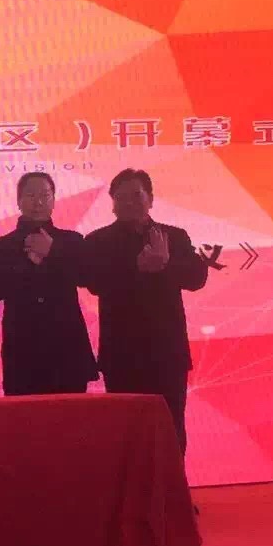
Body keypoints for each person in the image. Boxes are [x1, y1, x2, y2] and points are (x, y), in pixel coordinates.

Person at [84, 169, 209, 454]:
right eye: (121, 197)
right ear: (112, 203)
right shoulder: (97, 241)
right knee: (126, 430)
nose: (129, 202)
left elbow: (197, 278)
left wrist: (165, 264)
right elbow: (93, 282)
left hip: (167, 353)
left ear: (150, 199)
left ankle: (172, 484)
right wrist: (136, 267)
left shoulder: (174, 236)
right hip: (121, 354)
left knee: (171, 427)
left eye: (136, 195)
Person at [0, 172, 98, 395]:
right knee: (25, 416)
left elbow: (87, 278)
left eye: (45, 195)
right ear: (18, 201)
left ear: (54, 200)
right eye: (31, 195)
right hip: (22, 352)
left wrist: (53, 251)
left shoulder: (72, 241)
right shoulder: (1, 246)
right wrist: (25, 263)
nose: (38, 202)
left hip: (67, 350)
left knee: (71, 416)